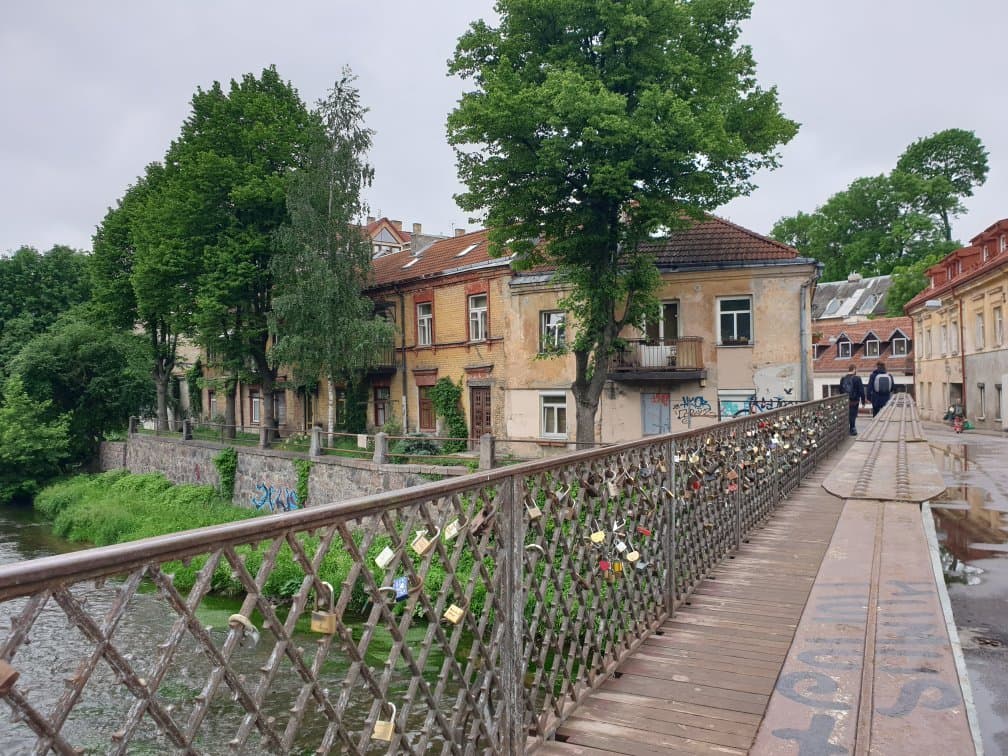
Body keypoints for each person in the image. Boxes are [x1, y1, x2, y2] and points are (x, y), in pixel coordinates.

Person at [839, 363, 865, 435]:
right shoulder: (857, 378)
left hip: (845, 400)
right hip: (854, 401)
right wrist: (863, 402)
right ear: (854, 369)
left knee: (847, 414)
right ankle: (852, 429)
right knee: (853, 415)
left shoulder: (843, 378)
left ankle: (847, 430)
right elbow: (861, 391)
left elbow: (840, 390)